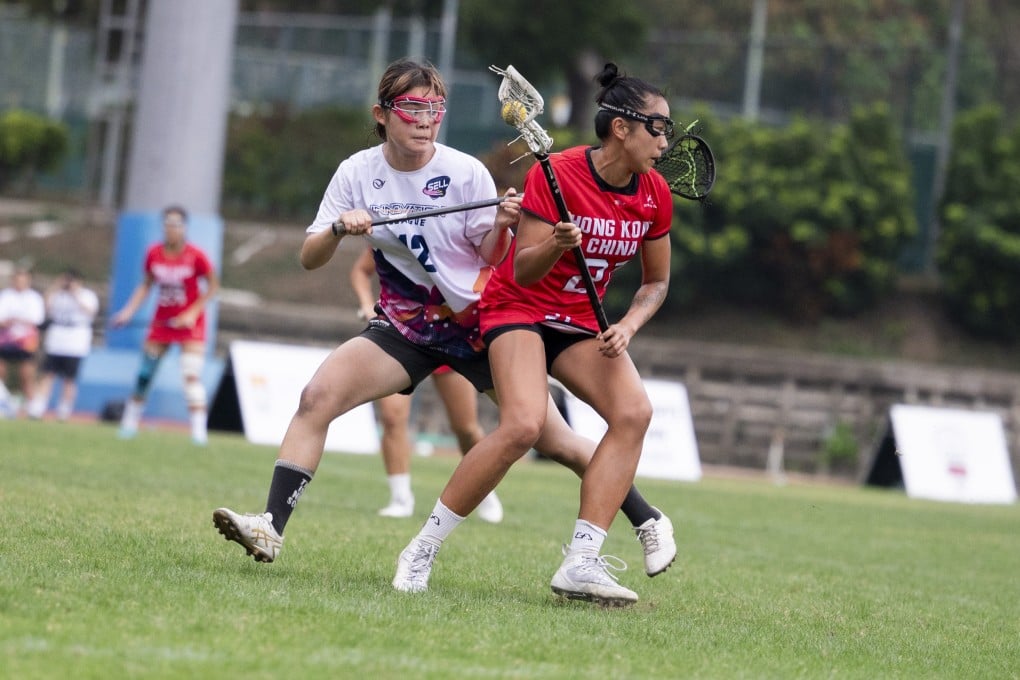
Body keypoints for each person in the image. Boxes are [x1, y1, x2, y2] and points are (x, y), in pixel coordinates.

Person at [211, 59, 674, 588]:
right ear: (382, 115)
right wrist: (340, 229)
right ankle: (271, 526)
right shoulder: (357, 173)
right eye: (412, 108)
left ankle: (645, 517)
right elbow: (309, 257)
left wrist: (501, 223)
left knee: (553, 438)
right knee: (318, 397)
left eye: (434, 108)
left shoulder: (464, 172)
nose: (425, 118)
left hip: (480, 322)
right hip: (406, 327)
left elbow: (493, 255)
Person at [394, 63, 676, 606]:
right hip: (518, 307)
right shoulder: (558, 174)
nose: (665, 140)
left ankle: (582, 561)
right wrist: (555, 244)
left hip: (581, 323)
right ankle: (422, 547)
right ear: (622, 128)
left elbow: (656, 282)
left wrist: (629, 324)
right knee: (523, 425)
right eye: (658, 127)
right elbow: (522, 270)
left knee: (634, 413)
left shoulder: (654, 194)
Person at [349, 245, 503, 522]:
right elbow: (361, 270)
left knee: (465, 428)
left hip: (450, 336)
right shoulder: (398, 229)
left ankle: (484, 493)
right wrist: (365, 305)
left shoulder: (455, 230)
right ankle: (400, 498)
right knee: (392, 417)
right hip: (404, 336)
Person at [109, 205, 219, 445]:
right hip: (162, 323)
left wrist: (192, 313)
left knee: (191, 375)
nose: (171, 229)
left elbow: (213, 286)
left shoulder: (196, 256)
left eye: (177, 224)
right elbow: (146, 284)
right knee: (144, 374)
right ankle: (129, 423)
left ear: (185, 227)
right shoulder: (154, 254)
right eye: (167, 224)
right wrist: (127, 312)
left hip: (190, 325)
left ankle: (199, 433)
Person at [26, 268, 100, 421]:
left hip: (75, 342)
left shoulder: (87, 295)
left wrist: (75, 293)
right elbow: (44, 307)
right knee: (48, 375)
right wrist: (55, 286)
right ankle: (38, 408)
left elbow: (91, 312)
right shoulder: (57, 295)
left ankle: (64, 410)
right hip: (56, 340)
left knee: (69, 379)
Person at [0, 266, 45, 418]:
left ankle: (32, 409)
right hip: (5, 339)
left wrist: (18, 320)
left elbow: (36, 320)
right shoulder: (5, 296)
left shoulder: (34, 298)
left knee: (26, 375)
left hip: (26, 341)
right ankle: (4, 402)